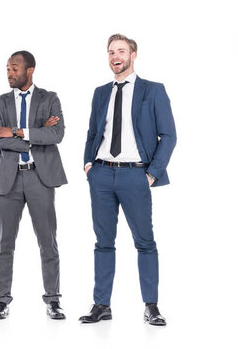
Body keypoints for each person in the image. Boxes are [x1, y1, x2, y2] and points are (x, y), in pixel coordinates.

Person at [79, 34, 176, 326]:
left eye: (120, 51)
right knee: (103, 242)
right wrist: (88, 165)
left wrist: (151, 174)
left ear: (133, 54)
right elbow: (93, 133)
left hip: (136, 175)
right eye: (110, 52)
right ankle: (101, 305)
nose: (114, 56)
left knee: (145, 242)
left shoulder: (153, 90)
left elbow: (169, 136)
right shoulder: (100, 92)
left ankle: (151, 306)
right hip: (101, 174)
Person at [0, 50, 68, 320]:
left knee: (48, 242)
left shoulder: (50, 99)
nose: (9, 73)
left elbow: (56, 134)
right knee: (4, 244)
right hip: (8, 180)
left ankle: (53, 300)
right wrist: (36, 135)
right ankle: (1, 301)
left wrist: (17, 131)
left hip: (40, 178)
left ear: (29, 70)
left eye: (14, 68)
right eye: (7, 69)